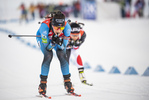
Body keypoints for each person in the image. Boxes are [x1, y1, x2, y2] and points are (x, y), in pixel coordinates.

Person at [36, 11, 74, 95]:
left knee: (62, 55)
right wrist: (52, 43)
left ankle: (68, 83)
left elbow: (63, 47)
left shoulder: (67, 28)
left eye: (61, 28)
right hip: (43, 39)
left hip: (57, 39)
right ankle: (42, 85)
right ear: (52, 25)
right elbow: (47, 48)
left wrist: (59, 43)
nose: (59, 30)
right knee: (48, 55)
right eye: (56, 27)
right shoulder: (44, 27)